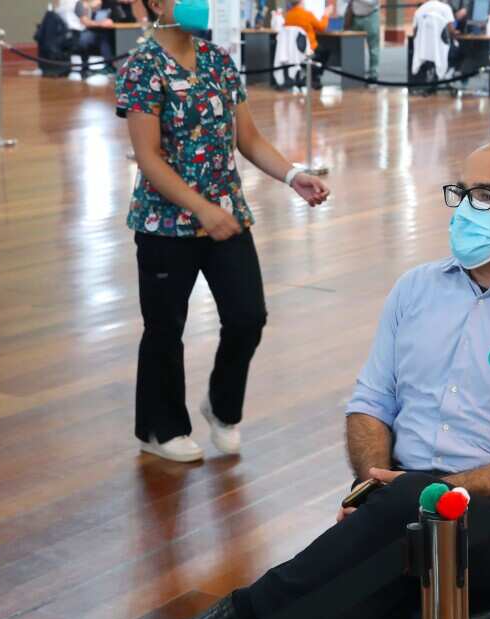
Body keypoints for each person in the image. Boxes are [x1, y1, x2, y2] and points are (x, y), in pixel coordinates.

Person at [137, 137, 490, 619]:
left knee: (417, 492)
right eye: (461, 192)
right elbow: (370, 404)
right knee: (320, 614)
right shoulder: (417, 289)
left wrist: (431, 492)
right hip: (396, 519)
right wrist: (372, 486)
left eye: (485, 196)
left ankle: (240, 617)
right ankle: (273, 599)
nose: (464, 207)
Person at [117, 0, 331, 463]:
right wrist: (200, 210)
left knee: (247, 316)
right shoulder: (142, 67)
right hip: (165, 224)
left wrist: (294, 175)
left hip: (227, 215)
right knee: (164, 328)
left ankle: (221, 406)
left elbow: (248, 138)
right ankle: (160, 428)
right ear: (156, 3)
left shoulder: (217, 60)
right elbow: (148, 157)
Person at [284, 0, 337, 88]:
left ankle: (312, 76)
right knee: (325, 52)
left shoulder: (288, 16)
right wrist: (326, 14)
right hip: (309, 49)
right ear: (301, 2)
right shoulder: (307, 14)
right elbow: (322, 27)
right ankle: (315, 77)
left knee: (320, 51)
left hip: (294, 50)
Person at [58, 0, 118, 76]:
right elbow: (85, 22)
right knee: (103, 35)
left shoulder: (63, 3)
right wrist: (101, 23)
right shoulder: (78, 3)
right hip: (76, 36)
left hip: (65, 36)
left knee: (98, 34)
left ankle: (87, 66)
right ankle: (109, 66)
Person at [344, 0, 381, 80]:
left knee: (373, 48)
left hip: (371, 16)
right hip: (354, 17)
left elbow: (372, 2)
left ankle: (373, 75)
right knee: (353, 47)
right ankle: (355, 73)